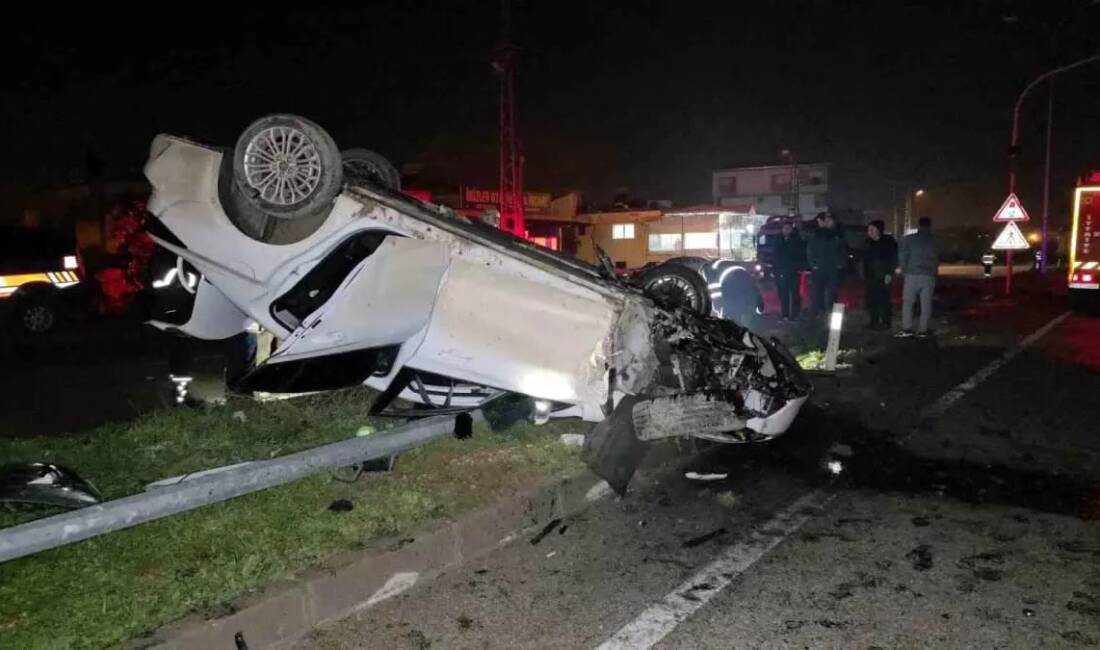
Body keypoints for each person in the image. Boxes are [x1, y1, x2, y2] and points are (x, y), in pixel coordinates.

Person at [898, 217, 938, 337]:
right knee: (926, 304)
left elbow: (903, 256)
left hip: (911, 274)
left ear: (919, 225)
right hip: (928, 275)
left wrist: (904, 271)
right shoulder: (934, 240)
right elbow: (937, 258)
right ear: (929, 226)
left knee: (908, 303)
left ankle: (907, 329)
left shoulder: (909, 239)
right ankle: (923, 330)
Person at [806, 212, 846, 318]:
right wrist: (813, 264)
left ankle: (833, 316)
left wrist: (840, 264)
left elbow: (843, 250)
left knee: (832, 293)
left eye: (830, 220)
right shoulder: (817, 234)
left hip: (833, 269)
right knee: (817, 292)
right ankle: (818, 313)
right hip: (819, 269)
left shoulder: (838, 234)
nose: (827, 222)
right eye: (826, 220)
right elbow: (810, 250)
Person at [862, 219, 898, 330]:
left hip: (883, 277)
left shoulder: (888, 242)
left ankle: (886, 323)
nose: (870, 232)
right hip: (870, 277)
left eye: (872, 229)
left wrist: (889, 273)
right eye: (869, 229)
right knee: (872, 300)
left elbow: (893, 259)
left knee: (884, 301)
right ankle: (874, 322)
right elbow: (864, 260)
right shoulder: (868, 242)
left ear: (879, 230)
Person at [772, 220, 805, 321]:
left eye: (788, 228)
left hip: (793, 271)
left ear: (791, 229)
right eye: (784, 228)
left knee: (795, 294)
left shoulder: (796, 240)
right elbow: (775, 256)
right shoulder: (778, 240)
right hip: (781, 272)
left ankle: (795, 315)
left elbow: (800, 254)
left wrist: (799, 267)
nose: (786, 230)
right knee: (783, 294)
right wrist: (776, 270)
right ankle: (784, 315)